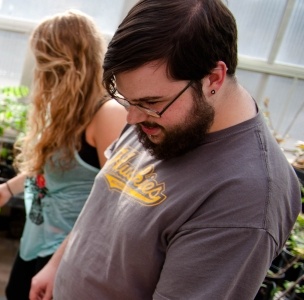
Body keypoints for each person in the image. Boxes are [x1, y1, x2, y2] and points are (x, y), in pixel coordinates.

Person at [28, 0, 301, 299]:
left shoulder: (247, 195)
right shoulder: (158, 119)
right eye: (127, 99)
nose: (131, 118)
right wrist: (57, 265)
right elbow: (104, 201)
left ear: (213, 78)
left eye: (149, 103)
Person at [0, 10, 127, 300]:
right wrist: (9, 188)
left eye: (44, 61)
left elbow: (111, 204)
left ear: (65, 62)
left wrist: (57, 265)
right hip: (36, 239)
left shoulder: (108, 114)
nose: (40, 72)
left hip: (66, 249)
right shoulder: (69, 110)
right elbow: (53, 166)